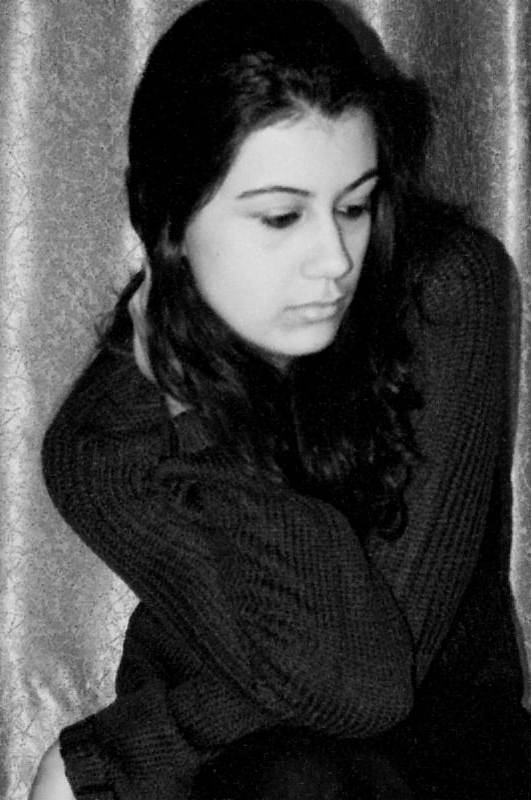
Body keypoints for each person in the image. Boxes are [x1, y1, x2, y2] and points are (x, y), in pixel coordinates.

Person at [29, 0, 531, 798]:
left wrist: (111, 756)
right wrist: (195, 405)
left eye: (355, 205)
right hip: (240, 763)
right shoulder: (105, 442)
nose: (333, 259)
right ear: (165, 216)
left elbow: (368, 685)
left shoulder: (443, 290)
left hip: (436, 753)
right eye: (280, 216)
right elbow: (294, 666)